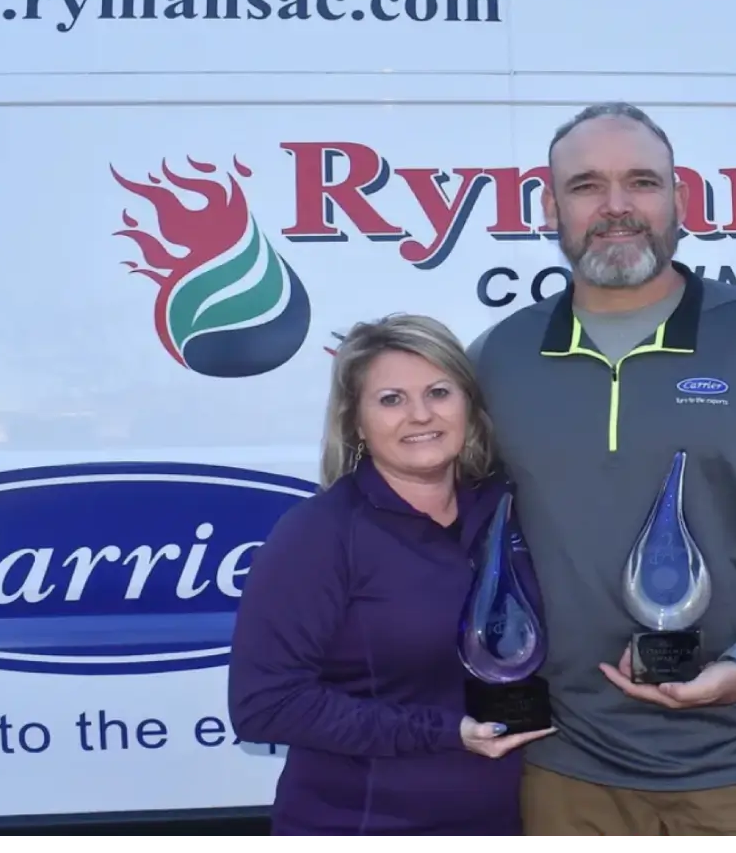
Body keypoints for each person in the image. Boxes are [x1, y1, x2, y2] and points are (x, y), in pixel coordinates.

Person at [466, 102, 736, 840]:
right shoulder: (497, 359)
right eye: (585, 186)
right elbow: (449, 544)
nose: (616, 208)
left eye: (641, 182)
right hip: (565, 771)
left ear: (680, 200)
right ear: (549, 208)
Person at [228, 313, 556, 841]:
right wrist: (446, 733)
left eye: (439, 392)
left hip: (507, 822)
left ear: (470, 407)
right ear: (356, 422)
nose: (420, 415)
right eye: (391, 400)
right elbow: (265, 706)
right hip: (365, 825)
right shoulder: (320, 535)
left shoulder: (509, 510)